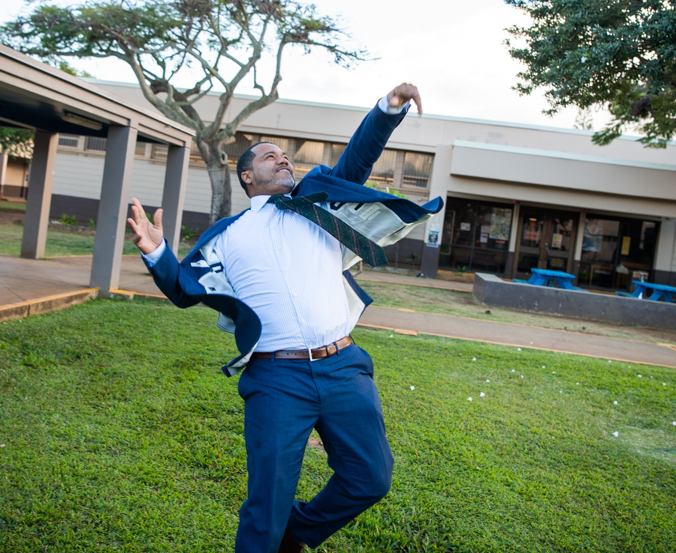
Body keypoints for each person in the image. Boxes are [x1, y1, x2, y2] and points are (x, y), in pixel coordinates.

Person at [128, 84, 442, 553]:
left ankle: (296, 535)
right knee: (266, 506)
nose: (284, 160)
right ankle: (273, 534)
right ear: (247, 177)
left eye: (286, 156)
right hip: (276, 378)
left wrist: (386, 111)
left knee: (370, 478)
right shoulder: (226, 236)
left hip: (343, 366)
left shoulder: (318, 207)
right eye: (271, 156)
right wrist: (157, 253)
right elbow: (184, 289)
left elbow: (356, 160)